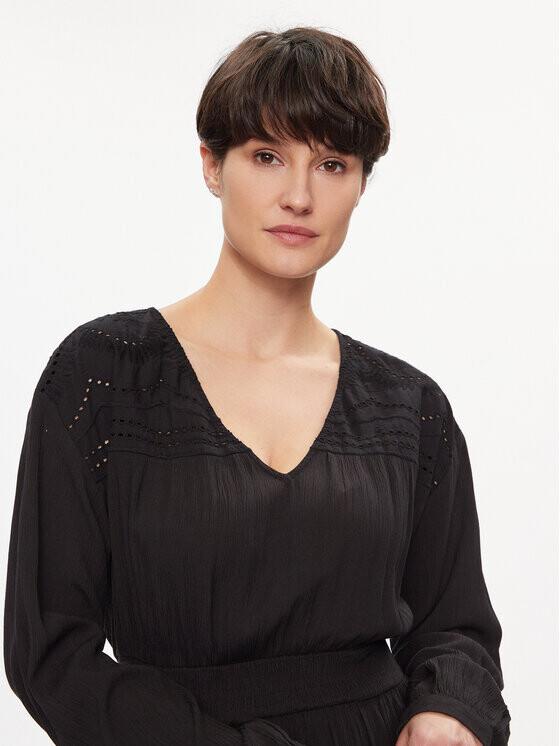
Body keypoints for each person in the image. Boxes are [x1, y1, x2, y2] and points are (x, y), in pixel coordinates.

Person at [3, 26, 511, 746]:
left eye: (332, 164)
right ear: (211, 165)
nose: (298, 196)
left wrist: (447, 711)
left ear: (362, 185)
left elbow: (454, 625)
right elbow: (50, 654)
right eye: (267, 156)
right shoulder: (102, 378)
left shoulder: (409, 407)